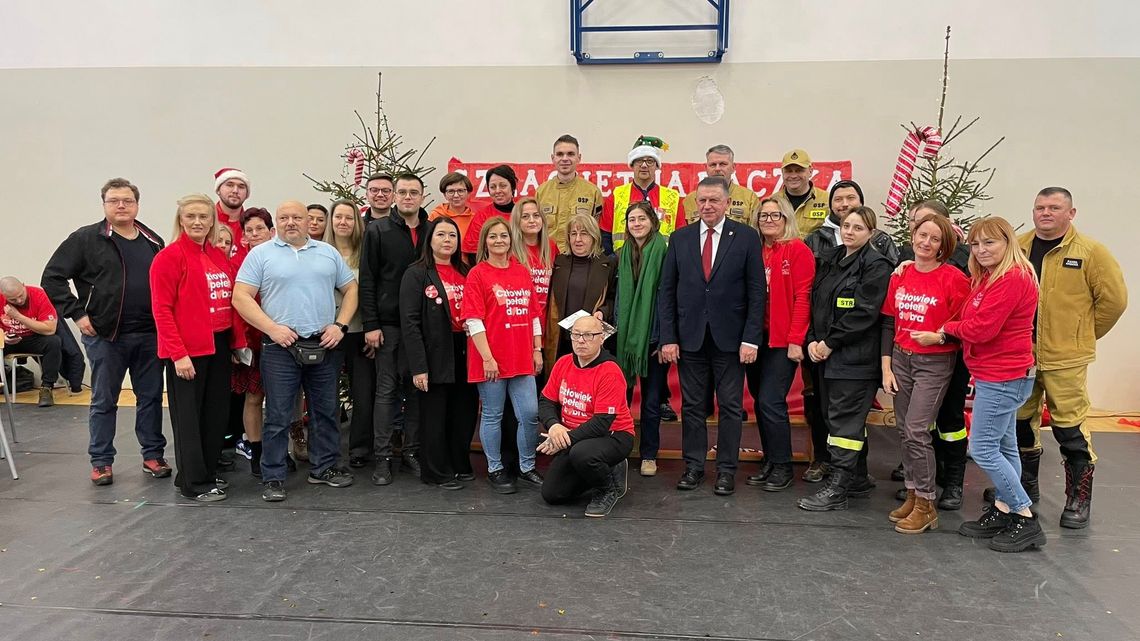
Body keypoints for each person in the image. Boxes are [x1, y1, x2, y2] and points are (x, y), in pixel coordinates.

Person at [1011, 187, 1127, 529]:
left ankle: (1078, 498)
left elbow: (1114, 302)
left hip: (1066, 359)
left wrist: (1081, 335)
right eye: (1040, 207)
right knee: (1019, 423)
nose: (1045, 213)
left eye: (1054, 207)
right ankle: (1025, 488)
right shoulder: (1018, 247)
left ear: (1071, 213)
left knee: (1069, 428)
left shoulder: (1091, 252)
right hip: (1021, 355)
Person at [41, 178, 168, 486]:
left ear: (137, 204)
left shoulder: (153, 241)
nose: (121, 206)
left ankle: (153, 455)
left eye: (127, 200)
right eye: (114, 201)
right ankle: (101, 461)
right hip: (106, 336)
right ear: (104, 205)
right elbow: (52, 277)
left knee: (151, 398)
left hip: (150, 335)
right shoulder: (86, 239)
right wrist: (77, 313)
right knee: (104, 400)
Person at [232, 201, 358, 502]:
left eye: (297, 217)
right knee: (278, 414)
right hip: (280, 347)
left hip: (323, 344)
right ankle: (273, 477)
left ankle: (324, 467)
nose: (291, 222)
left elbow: (351, 289)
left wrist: (340, 326)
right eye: (284, 217)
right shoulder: (261, 254)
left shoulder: (327, 252)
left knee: (325, 411)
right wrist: (272, 328)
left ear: (308, 221)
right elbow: (241, 296)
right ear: (276, 222)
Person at [657, 177, 765, 496]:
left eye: (714, 200)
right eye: (702, 200)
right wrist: (668, 337)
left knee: (730, 406)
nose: (707, 206)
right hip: (690, 338)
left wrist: (751, 339)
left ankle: (726, 470)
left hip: (731, 340)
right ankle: (693, 466)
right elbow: (667, 291)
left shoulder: (746, 237)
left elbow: (757, 292)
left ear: (727, 203)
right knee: (692, 406)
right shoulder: (680, 238)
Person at [944, 217, 1044, 552]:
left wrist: (947, 329)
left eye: (989, 242)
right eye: (975, 243)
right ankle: (1004, 509)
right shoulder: (990, 276)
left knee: (983, 448)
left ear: (1007, 242)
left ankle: (1023, 515)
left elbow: (981, 329)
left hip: (1003, 375)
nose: (981, 250)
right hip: (996, 372)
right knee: (1004, 446)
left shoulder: (1012, 278)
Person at [150, 194, 248, 502]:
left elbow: (229, 301)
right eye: (190, 216)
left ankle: (203, 471)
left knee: (214, 415)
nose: (197, 222)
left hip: (217, 345)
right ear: (180, 220)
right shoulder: (169, 257)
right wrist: (178, 354)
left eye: (203, 217)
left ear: (212, 221)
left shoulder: (216, 255)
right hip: (187, 350)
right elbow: (162, 310)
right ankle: (194, 483)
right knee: (189, 419)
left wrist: (235, 344)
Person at [800, 179, 898, 482]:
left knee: (845, 424)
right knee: (833, 419)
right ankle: (856, 480)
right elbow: (816, 303)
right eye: (846, 226)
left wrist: (829, 342)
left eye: (858, 227)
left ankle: (839, 486)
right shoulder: (831, 260)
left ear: (871, 232)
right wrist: (813, 340)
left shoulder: (877, 265)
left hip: (855, 359)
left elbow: (864, 313)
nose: (850, 232)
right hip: (825, 356)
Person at [879, 213, 970, 533]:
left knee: (917, 430)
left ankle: (927, 504)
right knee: (905, 429)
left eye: (935, 239)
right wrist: (886, 365)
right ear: (913, 236)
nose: (926, 242)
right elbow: (889, 321)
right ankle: (913, 493)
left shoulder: (954, 279)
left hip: (934, 362)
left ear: (944, 245)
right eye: (922, 235)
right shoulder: (901, 274)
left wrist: (941, 337)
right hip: (901, 359)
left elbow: (966, 325)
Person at [461, 217, 544, 494]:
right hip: (491, 360)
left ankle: (526, 467)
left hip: (522, 357)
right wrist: (487, 358)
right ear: (485, 241)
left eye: (504, 236)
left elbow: (533, 314)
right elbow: (473, 320)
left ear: (511, 240)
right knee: (493, 415)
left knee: (529, 414)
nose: (499, 241)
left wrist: (537, 349)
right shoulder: (477, 274)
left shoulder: (522, 272)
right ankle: (495, 468)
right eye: (493, 236)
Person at [360, 174, 429, 484]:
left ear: (422, 196)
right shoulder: (377, 230)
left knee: (417, 390)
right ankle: (384, 457)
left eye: (414, 192)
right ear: (395, 197)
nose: (408, 197)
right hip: (388, 325)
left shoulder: (431, 230)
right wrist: (371, 324)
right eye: (403, 192)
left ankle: (412, 451)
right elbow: (368, 279)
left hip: (423, 325)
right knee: (386, 391)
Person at [400, 218, 478, 490]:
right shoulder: (416, 273)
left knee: (464, 411)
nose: (447, 240)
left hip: (465, 349)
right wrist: (419, 367)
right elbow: (409, 323)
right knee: (435, 415)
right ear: (430, 240)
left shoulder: (466, 271)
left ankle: (459, 464)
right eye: (441, 234)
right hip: (434, 351)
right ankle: (436, 472)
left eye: (452, 236)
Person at [743, 198, 814, 492]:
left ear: (786, 219)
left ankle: (783, 465)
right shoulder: (754, 250)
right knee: (760, 402)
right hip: (755, 339)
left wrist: (796, 340)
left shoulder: (798, 250)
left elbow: (803, 297)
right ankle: (770, 460)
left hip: (783, 341)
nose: (769, 220)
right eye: (764, 215)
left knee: (771, 401)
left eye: (776, 215)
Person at [539, 315, 634, 517]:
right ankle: (603, 470)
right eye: (576, 334)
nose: (581, 340)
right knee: (552, 494)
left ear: (602, 338)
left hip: (613, 435)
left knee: (582, 454)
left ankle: (607, 489)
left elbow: (601, 423)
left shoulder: (610, 371)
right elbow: (545, 401)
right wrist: (554, 426)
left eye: (589, 335)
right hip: (575, 437)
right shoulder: (563, 362)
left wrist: (564, 440)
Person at [614, 202, 669, 476]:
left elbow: (668, 298)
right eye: (631, 219)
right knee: (620, 398)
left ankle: (648, 455)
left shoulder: (664, 252)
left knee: (651, 401)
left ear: (652, 221)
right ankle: (618, 451)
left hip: (654, 339)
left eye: (641, 218)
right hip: (624, 341)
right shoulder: (621, 254)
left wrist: (664, 338)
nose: (636, 224)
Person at [324, 199, 374, 470]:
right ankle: (328, 451)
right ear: (331, 221)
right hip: (327, 334)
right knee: (327, 396)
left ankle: (360, 448)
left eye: (349, 217)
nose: (343, 222)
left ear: (357, 222)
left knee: (363, 395)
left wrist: (372, 328)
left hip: (360, 332)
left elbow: (374, 292)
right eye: (338, 217)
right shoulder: (319, 252)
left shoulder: (365, 253)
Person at [230, 208, 276, 476]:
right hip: (251, 342)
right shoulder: (238, 264)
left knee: (282, 399)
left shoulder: (282, 258)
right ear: (244, 236)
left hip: (281, 339)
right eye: (249, 230)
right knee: (254, 397)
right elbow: (234, 306)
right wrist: (238, 342)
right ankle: (256, 453)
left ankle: (279, 450)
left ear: (271, 232)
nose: (255, 234)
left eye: (260, 229)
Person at [544, 213, 615, 364]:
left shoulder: (607, 265)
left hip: (590, 340)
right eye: (573, 234)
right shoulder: (558, 263)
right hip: (560, 340)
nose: (578, 239)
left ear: (594, 237)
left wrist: (603, 311)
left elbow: (613, 298)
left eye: (584, 234)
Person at [599, 136, 685, 255]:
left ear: (657, 166)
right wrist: (613, 261)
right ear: (632, 165)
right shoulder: (616, 195)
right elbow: (605, 236)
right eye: (639, 160)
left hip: (661, 262)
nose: (644, 165)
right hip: (623, 262)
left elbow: (681, 238)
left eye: (650, 161)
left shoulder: (673, 198)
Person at [536, 134, 604, 252]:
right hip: (547, 257)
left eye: (570, 154)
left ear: (579, 158)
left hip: (579, 258)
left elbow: (598, 233)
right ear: (553, 158)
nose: (565, 159)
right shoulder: (541, 192)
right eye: (560, 154)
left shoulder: (592, 192)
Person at [1, 277, 62, 407]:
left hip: (33, 337)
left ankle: (47, 387)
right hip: (8, 340)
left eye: (21, 295)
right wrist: (2, 337)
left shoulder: (38, 294)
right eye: (13, 299)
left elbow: (50, 329)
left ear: (24, 286)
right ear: (4, 296)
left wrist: (18, 316)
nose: (19, 301)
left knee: (53, 342)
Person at [683, 145, 760, 227]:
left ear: (733, 167)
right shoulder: (690, 199)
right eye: (713, 165)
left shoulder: (749, 198)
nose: (717, 169)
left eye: (723, 164)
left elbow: (755, 231)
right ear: (706, 168)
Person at [511, 197, 557, 321]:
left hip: (544, 319)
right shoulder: (510, 251)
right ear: (517, 221)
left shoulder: (551, 246)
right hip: (520, 318)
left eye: (536, 215)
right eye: (525, 217)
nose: (532, 220)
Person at [772, 150, 830, 238]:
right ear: (782, 172)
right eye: (789, 171)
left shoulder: (827, 200)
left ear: (810, 171)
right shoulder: (772, 202)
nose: (793, 176)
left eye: (799, 171)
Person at [462, 165, 518, 257]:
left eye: (503, 186)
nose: (497, 191)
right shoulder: (481, 216)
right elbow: (472, 253)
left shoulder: (524, 214)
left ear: (512, 187)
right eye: (493, 187)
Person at [214, 167, 251, 255]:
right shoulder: (206, 222)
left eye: (241, 187)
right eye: (230, 185)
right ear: (218, 190)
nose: (235, 191)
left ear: (247, 194)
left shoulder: (253, 225)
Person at [429, 172, 477, 239]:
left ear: (468, 193)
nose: (456, 195)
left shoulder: (475, 219)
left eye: (460, 191)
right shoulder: (435, 216)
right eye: (451, 191)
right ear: (445, 195)